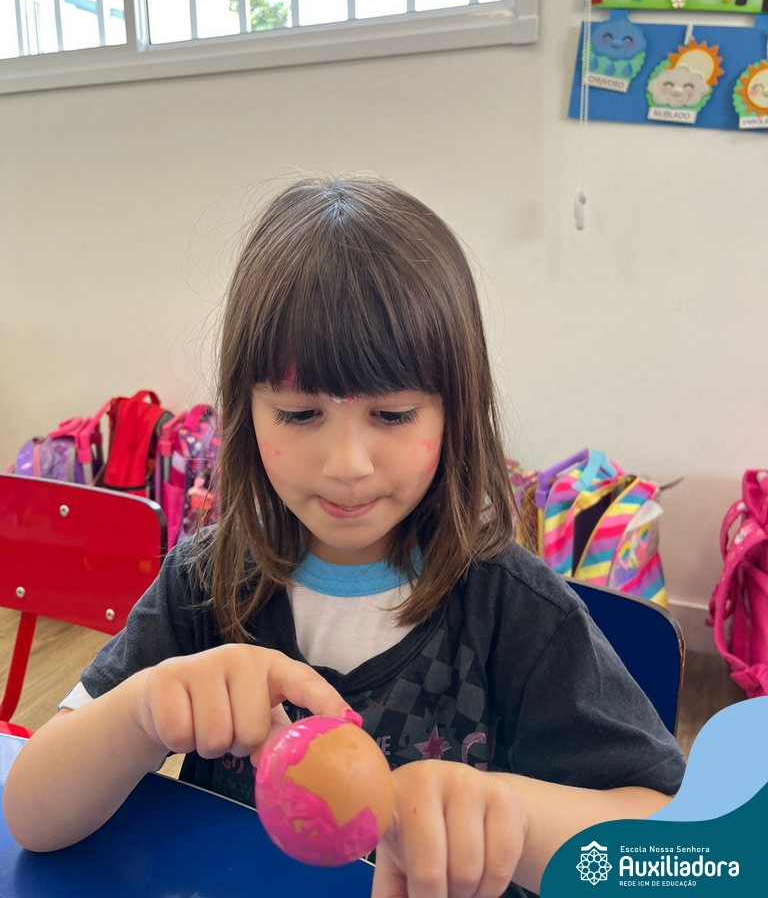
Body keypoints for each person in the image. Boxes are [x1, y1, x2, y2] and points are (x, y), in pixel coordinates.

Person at [3, 175, 685, 897]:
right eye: (300, 415)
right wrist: (142, 710)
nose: (347, 464)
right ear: (245, 413)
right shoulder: (204, 583)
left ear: (453, 413)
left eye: (392, 416)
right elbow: (32, 818)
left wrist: (511, 816)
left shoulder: (517, 614)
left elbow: (674, 853)